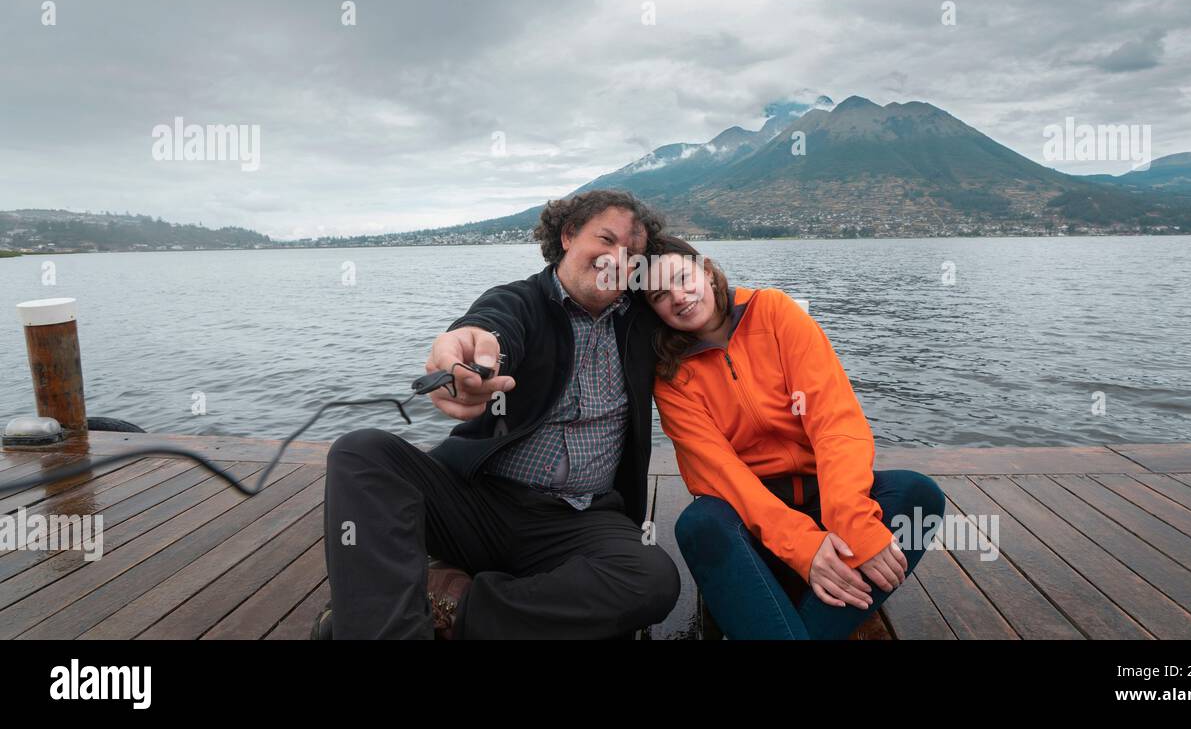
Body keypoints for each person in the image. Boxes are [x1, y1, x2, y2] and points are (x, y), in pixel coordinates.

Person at [315, 190, 681, 639]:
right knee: (361, 452)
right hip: (479, 502)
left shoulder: (643, 322)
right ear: (568, 235)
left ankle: (454, 603)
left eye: (632, 253)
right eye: (605, 239)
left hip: (579, 520)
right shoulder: (521, 301)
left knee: (653, 581)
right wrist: (470, 355)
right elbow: (490, 329)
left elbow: (700, 297)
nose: (617, 258)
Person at [646, 235, 946, 639]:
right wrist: (803, 548)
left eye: (683, 277)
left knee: (917, 495)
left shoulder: (773, 312)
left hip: (828, 508)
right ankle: (810, 593)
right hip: (754, 526)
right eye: (660, 295)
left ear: (706, 268)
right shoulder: (670, 375)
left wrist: (854, 523)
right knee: (699, 525)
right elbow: (720, 473)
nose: (679, 297)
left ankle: (787, 617)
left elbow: (833, 420)